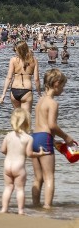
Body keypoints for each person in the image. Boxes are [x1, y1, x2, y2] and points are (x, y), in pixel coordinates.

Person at [31, 68, 73, 209]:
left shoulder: (40, 101)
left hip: (34, 138)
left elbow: (41, 124)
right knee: (49, 176)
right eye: (63, 86)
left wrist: (54, 141)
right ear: (56, 84)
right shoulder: (52, 103)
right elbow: (51, 125)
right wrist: (66, 137)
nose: (63, 89)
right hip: (44, 138)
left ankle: (35, 205)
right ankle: (47, 206)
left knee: (38, 177)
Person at [1, 108, 40, 215]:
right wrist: (40, 154)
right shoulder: (28, 138)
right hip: (19, 167)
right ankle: (21, 210)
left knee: (8, 187)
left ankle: (4, 209)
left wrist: (10, 153)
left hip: (7, 165)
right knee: (20, 189)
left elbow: (2, 150)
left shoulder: (8, 135)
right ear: (27, 122)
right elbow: (29, 154)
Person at [0, 41, 40, 114]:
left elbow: (9, 78)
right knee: (26, 118)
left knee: (17, 117)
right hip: (26, 90)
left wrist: (3, 94)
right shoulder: (33, 60)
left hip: (14, 90)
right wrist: (39, 93)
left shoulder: (13, 60)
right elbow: (36, 79)